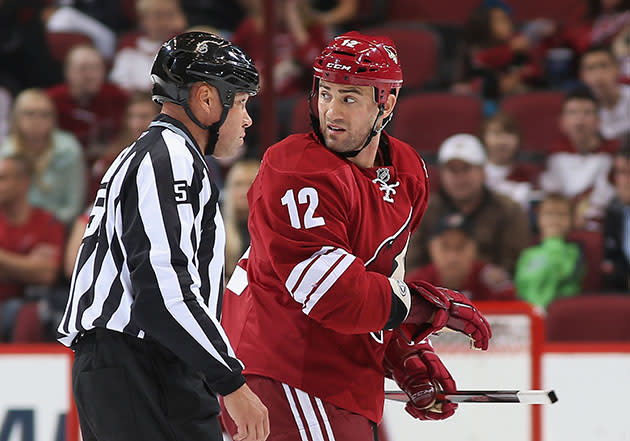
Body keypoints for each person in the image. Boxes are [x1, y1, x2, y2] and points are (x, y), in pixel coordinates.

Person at [220, 32, 492, 440]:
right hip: (282, 368)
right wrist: (426, 307)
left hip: (333, 376)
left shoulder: (407, 171)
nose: (331, 111)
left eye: (349, 98)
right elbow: (334, 294)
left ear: (387, 102)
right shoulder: (296, 169)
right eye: (325, 93)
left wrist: (403, 351)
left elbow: (381, 281)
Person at [57, 32, 269, 441]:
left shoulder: (157, 154)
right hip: (141, 366)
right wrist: (231, 382)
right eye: (241, 102)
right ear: (207, 99)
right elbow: (163, 291)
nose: (247, 119)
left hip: (134, 366)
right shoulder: (169, 158)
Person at [407, 133, 532, 275]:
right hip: (435, 292)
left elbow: (520, 262)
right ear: (441, 173)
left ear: (483, 172)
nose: (459, 178)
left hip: (490, 293)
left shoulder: (509, 209)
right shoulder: (424, 210)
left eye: (466, 169)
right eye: (452, 170)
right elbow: (410, 262)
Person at [0, 154, 65, 341]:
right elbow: (37, 272)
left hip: (33, 305)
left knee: (28, 313)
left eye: (3, 179)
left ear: (24, 183)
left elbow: (47, 274)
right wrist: (28, 265)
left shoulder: (48, 222)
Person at [0, 88, 86, 225]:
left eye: (44, 114)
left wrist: (44, 227)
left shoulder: (69, 150)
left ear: (53, 118)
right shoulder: (6, 152)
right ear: (16, 118)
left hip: (57, 226)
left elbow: (73, 205)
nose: (37, 120)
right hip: (12, 225)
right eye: (30, 113)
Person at [539, 87, 619, 230]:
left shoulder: (614, 154)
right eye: (573, 113)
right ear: (562, 121)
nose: (579, 120)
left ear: (598, 121)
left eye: (587, 113)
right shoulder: (551, 156)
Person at [47, 44, 129, 162]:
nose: (91, 75)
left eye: (96, 68)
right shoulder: (52, 101)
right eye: (83, 69)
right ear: (67, 72)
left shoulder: (118, 97)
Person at [407, 213, 516, 301]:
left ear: (474, 249)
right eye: (445, 247)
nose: (452, 257)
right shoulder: (416, 285)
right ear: (432, 248)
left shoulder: (491, 282)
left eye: (461, 247)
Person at [515, 194, 584, 309]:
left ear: (572, 220)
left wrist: (553, 241)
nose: (555, 220)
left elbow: (561, 273)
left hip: (560, 313)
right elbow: (521, 286)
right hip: (529, 312)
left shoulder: (575, 251)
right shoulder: (528, 254)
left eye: (562, 215)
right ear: (538, 219)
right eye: (549, 214)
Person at [110, 0, 188, 93]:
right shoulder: (128, 45)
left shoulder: (181, 45)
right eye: (158, 16)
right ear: (143, 19)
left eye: (169, 15)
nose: (164, 22)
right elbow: (118, 80)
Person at [481, 111, 540, 209]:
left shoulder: (529, 176)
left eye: (509, 133)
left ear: (519, 139)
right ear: (483, 137)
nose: (502, 141)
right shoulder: (474, 174)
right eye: (496, 133)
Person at [579, 44, 630, 141]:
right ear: (583, 76)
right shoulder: (580, 108)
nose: (598, 74)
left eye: (604, 65)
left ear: (618, 69)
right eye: (591, 68)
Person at [222, 159, 260, 278]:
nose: (243, 192)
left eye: (250, 184)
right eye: (238, 184)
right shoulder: (216, 224)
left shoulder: (272, 227)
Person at [602, 147, 630, 291]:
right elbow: (613, 259)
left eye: (626, 172)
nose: (622, 181)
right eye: (618, 173)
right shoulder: (613, 214)